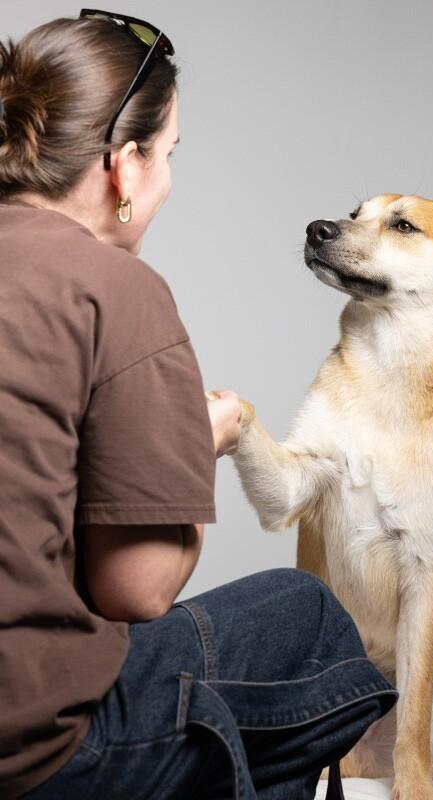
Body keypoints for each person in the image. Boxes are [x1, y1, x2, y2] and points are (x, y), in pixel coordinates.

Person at [0, 10, 398, 800]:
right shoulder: (113, 287)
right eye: (168, 155)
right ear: (123, 166)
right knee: (306, 616)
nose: (170, 181)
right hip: (33, 753)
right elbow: (136, 589)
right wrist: (196, 446)